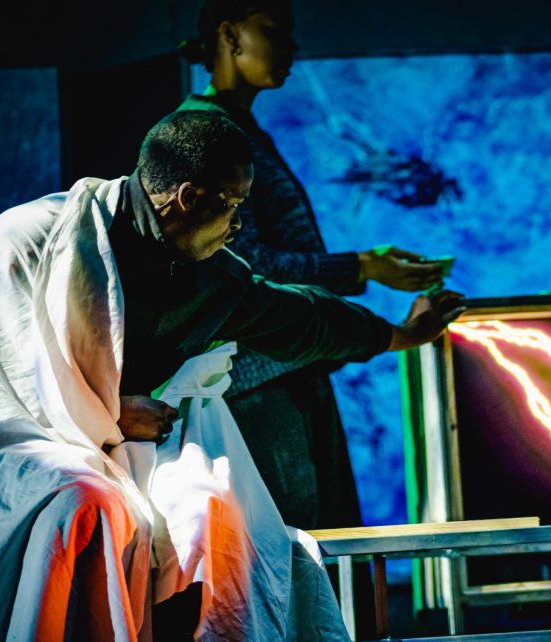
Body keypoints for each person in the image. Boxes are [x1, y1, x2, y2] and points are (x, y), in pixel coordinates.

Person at [0, 109, 463, 641]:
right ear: (186, 197)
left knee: (210, 509)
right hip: (5, 452)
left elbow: (298, 317)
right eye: (231, 204)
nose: (238, 224)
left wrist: (399, 335)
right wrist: (105, 415)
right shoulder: (36, 236)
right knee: (86, 508)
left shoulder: (211, 277)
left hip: (128, 449)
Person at [176, 0, 448, 532]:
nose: (292, 48)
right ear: (230, 36)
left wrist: (361, 271)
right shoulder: (204, 131)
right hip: (257, 385)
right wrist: (360, 268)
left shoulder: (238, 128)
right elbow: (240, 264)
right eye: (275, 31)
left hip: (289, 370)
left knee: (323, 546)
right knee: (297, 548)